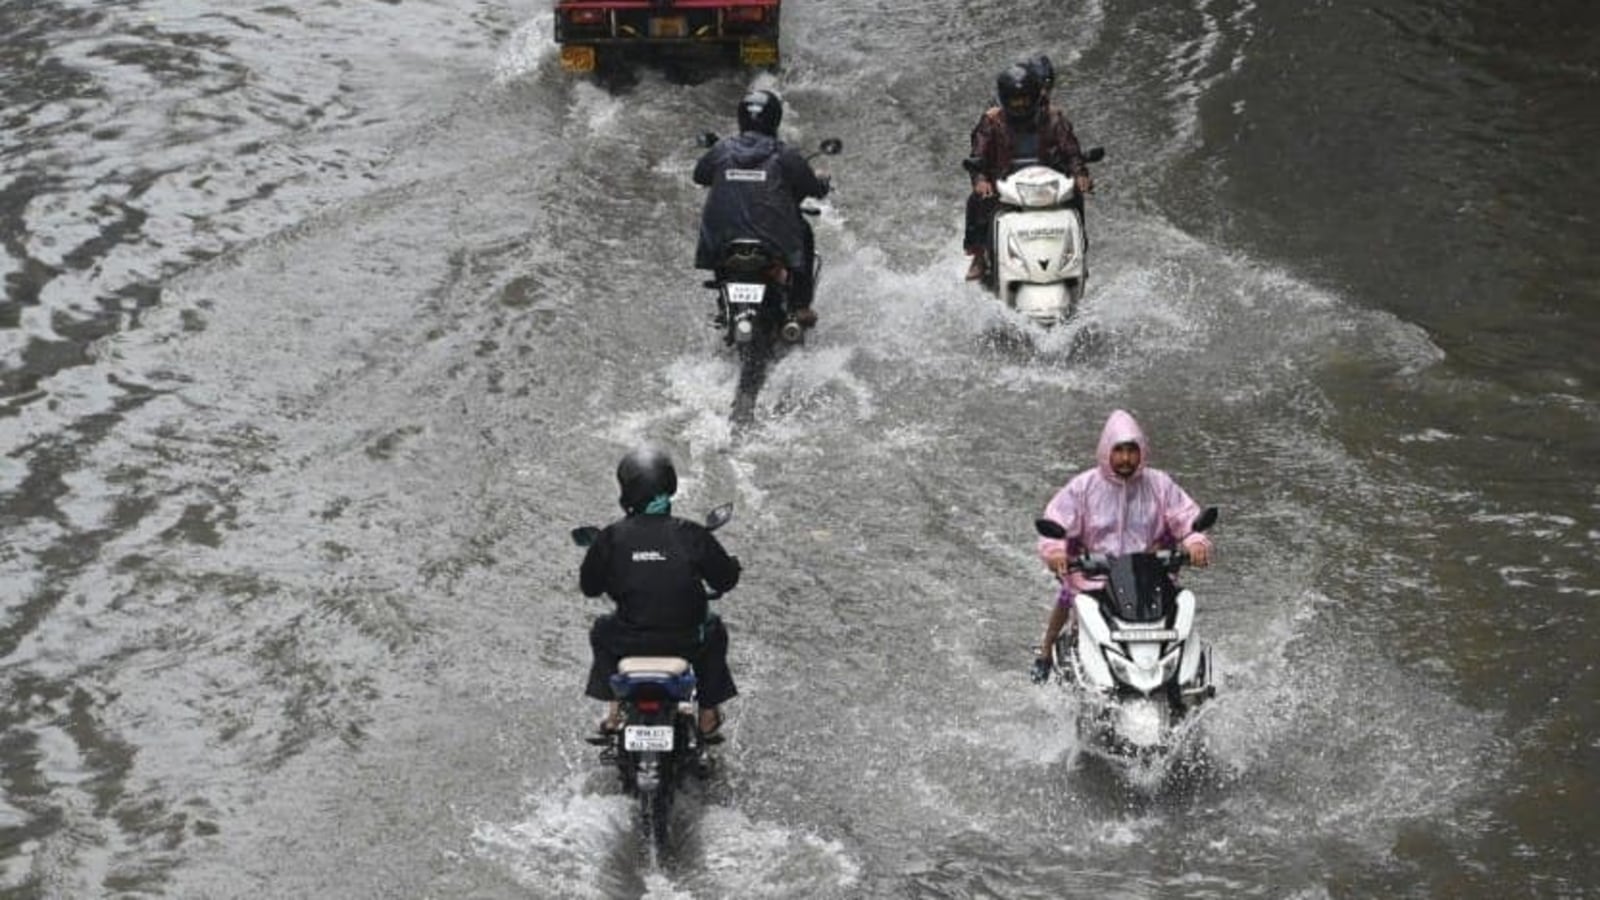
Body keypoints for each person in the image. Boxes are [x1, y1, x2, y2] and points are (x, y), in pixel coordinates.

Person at [1029, 409, 1213, 683]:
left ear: (1142, 451)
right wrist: (1055, 552)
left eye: (1132, 450)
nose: (1126, 458)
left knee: (1180, 609)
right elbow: (1056, 520)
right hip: (1095, 575)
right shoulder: (1084, 487)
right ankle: (1045, 652)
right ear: (1106, 450)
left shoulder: (1159, 485)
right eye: (1119, 450)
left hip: (1151, 575)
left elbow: (1186, 517)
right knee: (1066, 599)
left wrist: (1196, 543)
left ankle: (1188, 673)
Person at [580, 446, 742, 736]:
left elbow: (589, 588)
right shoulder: (691, 534)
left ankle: (614, 711)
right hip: (687, 641)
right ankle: (707, 714)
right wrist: (732, 566)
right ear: (669, 486)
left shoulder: (611, 537)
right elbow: (725, 581)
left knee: (601, 629)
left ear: (626, 491)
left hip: (627, 640)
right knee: (715, 630)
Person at [694, 89, 832, 328]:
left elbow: (700, 176)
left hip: (724, 241)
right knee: (805, 232)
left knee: (718, 243)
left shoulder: (723, 149)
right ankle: (800, 306)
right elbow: (814, 188)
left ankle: (723, 302)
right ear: (775, 119)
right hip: (773, 241)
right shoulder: (784, 153)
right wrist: (822, 181)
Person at [965, 63, 1093, 282]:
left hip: (1047, 185)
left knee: (1076, 199)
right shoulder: (991, 121)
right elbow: (979, 151)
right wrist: (980, 179)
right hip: (1004, 184)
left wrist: (1080, 174)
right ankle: (978, 256)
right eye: (1015, 100)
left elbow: (1071, 150)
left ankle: (1078, 252)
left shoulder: (1054, 118)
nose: (1020, 106)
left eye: (1024, 100)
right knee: (977, 201)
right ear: (1005, 99)